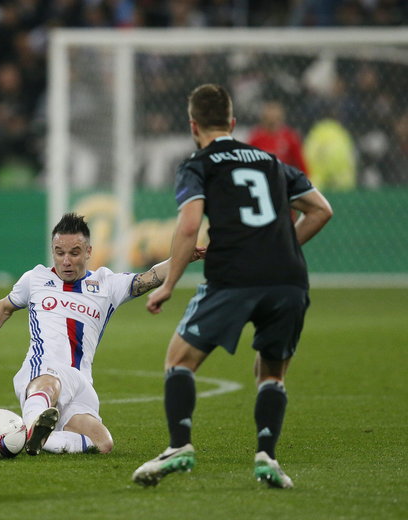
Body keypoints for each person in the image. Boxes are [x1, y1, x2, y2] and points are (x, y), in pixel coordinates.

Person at [131, 84, 333, 489]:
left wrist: (169, 283)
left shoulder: (198, 163)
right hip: (289, 279)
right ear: (233, 123)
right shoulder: (271, 160)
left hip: (234, 276)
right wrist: (278, 246)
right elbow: (320, 210)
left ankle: (179, 446)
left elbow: (189, 225)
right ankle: (267, 458)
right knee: (272, 373)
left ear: (193, 126)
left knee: (179, 360)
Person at [0, 213, 205, 455]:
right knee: (51, 382)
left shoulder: (107, 284)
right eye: (59, 253)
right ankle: (33, 422)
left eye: (74, 252)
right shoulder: (35, 279)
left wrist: (180, 259)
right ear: (53, 252)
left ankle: (35, 438)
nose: (66, 260)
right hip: (42, 370)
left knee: (103, 443)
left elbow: (149, 277)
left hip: (80, 381)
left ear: (89, 252)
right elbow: (4, 307)